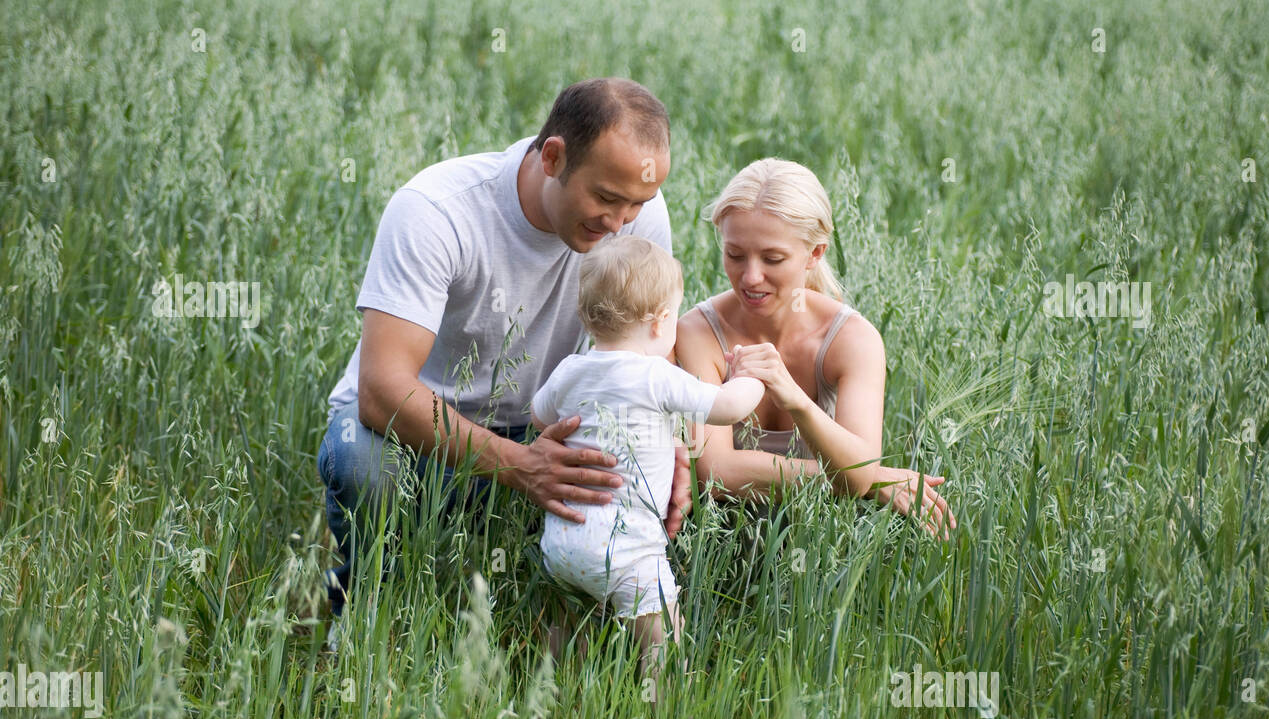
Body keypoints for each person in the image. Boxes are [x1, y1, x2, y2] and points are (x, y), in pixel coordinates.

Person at [316, 78, 694, 650]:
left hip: (549, 431)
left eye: (636, 204)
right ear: (553, 157)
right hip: (417, 432)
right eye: (607, 199)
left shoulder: (639, 212)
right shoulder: (436, 211)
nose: (622, 224)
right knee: (359, 458)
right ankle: (364, 608)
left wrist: (672, 448)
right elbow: (381, 390)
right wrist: (520, 466)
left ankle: (557, 626)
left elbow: (645, 358)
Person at [674, 158, 957, 537]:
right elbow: (715, 471)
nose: (750, 276)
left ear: (815, 254)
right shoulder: (698, 332)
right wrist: (870, 477)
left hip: (821, 539)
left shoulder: (852, 339)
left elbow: (856, 473)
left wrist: (795, 399)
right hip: (721, 538)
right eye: (735, 255)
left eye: (773, 258)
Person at [531, 235, 762, 684]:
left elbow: (541, 415)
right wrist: (749, 377)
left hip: (562, 542)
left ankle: (557, 690)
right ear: (660, 323)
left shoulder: (570, 370)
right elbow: (729, 408)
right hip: (630, 551)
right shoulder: (657, 375)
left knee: (565, 630)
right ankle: (665, 707)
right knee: (661, 643)